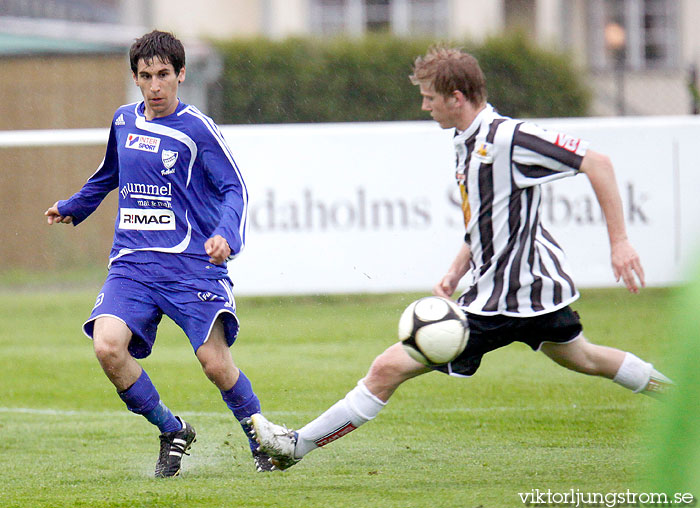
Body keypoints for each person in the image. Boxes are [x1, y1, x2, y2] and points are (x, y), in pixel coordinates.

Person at [249, 47, 673, 470]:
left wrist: (620, 242)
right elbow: (487, 218)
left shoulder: (508, 137)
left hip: (509, 298)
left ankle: (293, 447)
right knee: (586, 357)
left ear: (456, 97)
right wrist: (456, 269)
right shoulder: (465, 142)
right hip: (525, 295)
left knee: (386, 368)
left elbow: (598, 163)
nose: (424, 106)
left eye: (430, 98)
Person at [45, 30, 276, 476]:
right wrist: (73, 207)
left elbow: (235, 188)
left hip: (191, 264)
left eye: (164, 75)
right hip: (132, 264)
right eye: (146, 76)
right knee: (108, 348)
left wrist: (226, 236)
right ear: (135, 77)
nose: (155, 86)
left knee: (213, 362)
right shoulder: (124, 121)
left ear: (181, 74)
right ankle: (172, 430)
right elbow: (107, 174)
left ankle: (260, 438)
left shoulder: (197, 129)